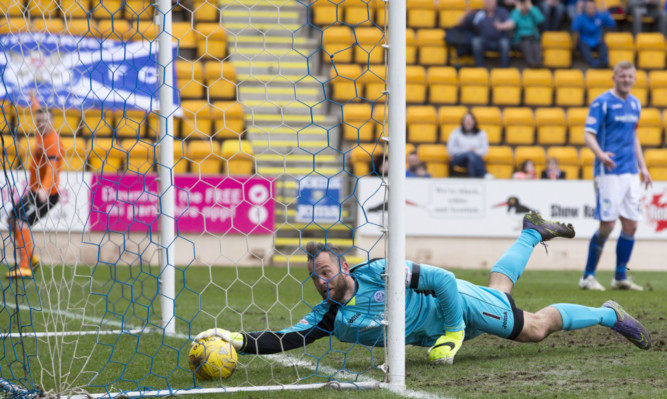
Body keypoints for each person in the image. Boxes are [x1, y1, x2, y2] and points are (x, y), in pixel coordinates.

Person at [194, 212, 651, 365]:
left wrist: (452, 332)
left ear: (344, 265)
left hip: (457, 310)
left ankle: (611, 313)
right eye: (315, 276)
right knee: (501, 290)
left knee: (533, 326)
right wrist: (236, 339)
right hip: (448, 326)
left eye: (326, 271)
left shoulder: (380, 271)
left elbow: (443, 280)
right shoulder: (330, 317)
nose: (321, 280)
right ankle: (531, 232)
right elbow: (289, 338)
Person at [579, 61, 652, 292]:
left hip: (630, 173)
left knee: (631, 224)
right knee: (607, 225)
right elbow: (588, 134)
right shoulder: (602, 102)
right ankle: (587, 276)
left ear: (635, 79)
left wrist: (644, 168)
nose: (627, 80)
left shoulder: (635, 104)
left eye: (630, 76)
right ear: (614, 77)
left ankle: (620, 276)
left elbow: (635, 137)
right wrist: (601, 155)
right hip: (608, 172)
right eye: (622, 76)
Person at [5, 106, 63, 279]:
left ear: (52, 122)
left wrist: (44, 189)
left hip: (47, 194)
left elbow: (52, 169)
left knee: (22, 221)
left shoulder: (53, 143)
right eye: (38, 121)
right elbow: (37, 110)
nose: (41, 124)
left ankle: (25, 266)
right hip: (35, 191)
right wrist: (33, 98)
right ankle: (31, 257)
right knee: (13, 217)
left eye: (44, 121)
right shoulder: (41, 134)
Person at [458, 0, 515, 68]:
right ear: (484, 3)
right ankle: (480, 67)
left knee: (505, 43)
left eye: (491, 1)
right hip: (485, 41)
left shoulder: (501, 11)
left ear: (495, 2)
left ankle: (504, 68)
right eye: (487, 2)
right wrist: (465, 15)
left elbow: (511, 24)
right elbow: (460, 24)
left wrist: (501, 26)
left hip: (499, 40)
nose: (489, 3)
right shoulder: (479, 14)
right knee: (476, 41)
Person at [571, 0, 615, 69]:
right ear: (585, 8)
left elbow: (612, 23)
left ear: (596, 8)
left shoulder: (599, 16)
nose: (591, 9)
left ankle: (604, 62)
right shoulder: (582, 17)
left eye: (593, 7)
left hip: (596, 42)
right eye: (589, 7)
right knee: (582, 45)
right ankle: (594, 64)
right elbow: (574, 28)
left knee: (603, 45)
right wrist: (578, 13)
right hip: (584, 42)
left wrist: (605, 11)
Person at [447, 112, 490, 178]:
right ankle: (484, 174)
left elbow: (484, 151)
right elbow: (450, 150)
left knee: (471, 160)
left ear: (474, 122)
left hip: (474, 159)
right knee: (470, 154)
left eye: (470, 120)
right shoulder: (455, 132)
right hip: (458, 159)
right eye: (466, 120)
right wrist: (467, 150)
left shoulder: (481, 133)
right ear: (463, 122)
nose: (468, 122)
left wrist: (474, 151)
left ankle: (472, 182)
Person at [510, 0, 545, 68]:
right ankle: (531, 63)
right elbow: (512, 23)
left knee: (535, 42)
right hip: (519, 40)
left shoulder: (531, 13)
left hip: (532, 38)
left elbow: (541, 19)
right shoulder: (515, 13)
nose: (524, 5)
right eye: (522, 3)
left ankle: (538, 63)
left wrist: (531, 7)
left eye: (525, 3)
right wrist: (517, 10)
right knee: (526, 42)